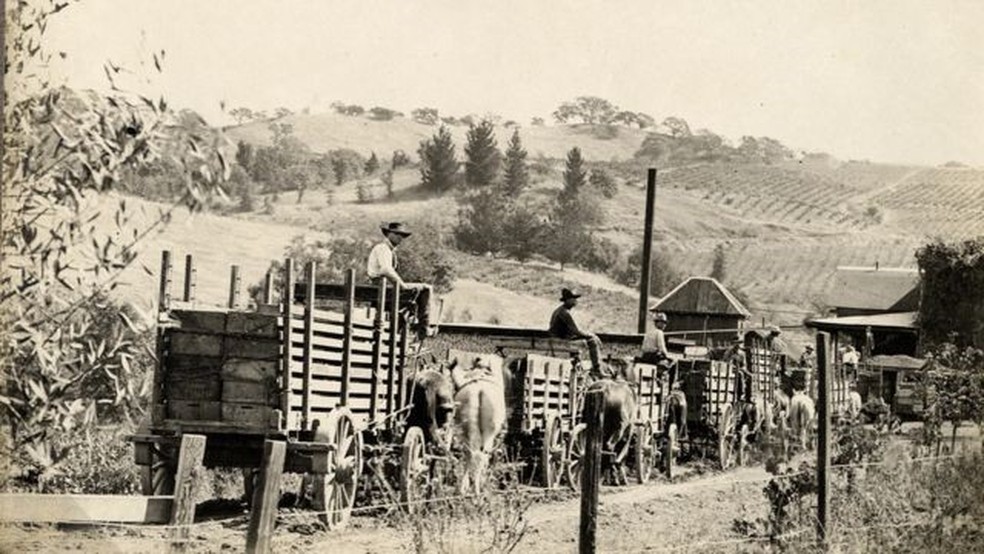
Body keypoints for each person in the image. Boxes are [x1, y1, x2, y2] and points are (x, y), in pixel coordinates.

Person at [367, 222, 433, 340]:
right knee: (427, 289)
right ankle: (424, 328)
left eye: (402, 235)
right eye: (397, 234)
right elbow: (386, 270)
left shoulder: (389, 250)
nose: (400, 238)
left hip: (385, 288)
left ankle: (403, 330)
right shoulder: (383, 248)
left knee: (410, 303)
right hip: (382, 287)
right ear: (389, 234)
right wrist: (401, 285)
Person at [548, 288, 604, 377]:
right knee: (592, 340)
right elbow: (577, 331)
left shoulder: (561, 310)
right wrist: (592, 335)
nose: (575, 301)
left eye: (575, 298)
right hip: (561, 340)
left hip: (560, 338)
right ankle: (597, 368)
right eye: (573, 298)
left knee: (588, 339)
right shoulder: (565, 313)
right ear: (567, 300)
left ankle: (587, 365)